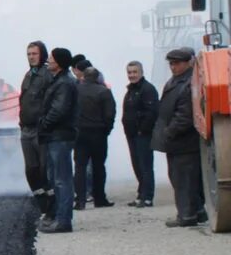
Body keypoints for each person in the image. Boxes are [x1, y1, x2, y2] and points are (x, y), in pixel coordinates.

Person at [152, 48, 206, 227]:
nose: (173, 67)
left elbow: (185, 117)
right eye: (171, 63)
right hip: (178, 143)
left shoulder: (189, 82)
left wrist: (169, 132)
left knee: (184, 180)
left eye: (177, 63)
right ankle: (197, 211)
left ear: (188, 63)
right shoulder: (177, 81)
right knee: (181, 178)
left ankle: (187, 216)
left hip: (184, 142)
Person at [36, 47, 80, 234]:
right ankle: (59, 217)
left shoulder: (64, 83)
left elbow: (58, 110)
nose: (48, 62)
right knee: (57, 178)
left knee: (62, 180)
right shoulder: (60, 81)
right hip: (56, 135)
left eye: (52, 59)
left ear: (59, 63)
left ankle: (63, 221)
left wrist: (44, 124)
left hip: (60, 135)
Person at [17, 40, 53, 217]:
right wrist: (22, 124)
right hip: (27, 130)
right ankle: (42, 204)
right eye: (29, 54)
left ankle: (51, 209)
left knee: (45, 169)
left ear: (42, 55)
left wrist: (45, 123)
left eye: (34, 54)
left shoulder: (47, 75)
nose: (31, 57)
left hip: (41, 130)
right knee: (31, 169)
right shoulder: (28, 75)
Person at [72, 65, 116, 209]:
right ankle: (100, 198)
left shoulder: (76, 90)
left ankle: (80, 200)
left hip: (79, 134)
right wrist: (106, 130)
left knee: (80, 167)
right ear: (97, 78)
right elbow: (110, 115)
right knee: (98, 166)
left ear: (84, 77)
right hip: (98, 134)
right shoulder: (104, 92)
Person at [121, 60, 159, 207]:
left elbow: (152, 112)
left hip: (143, 134)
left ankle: (147, 197)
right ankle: (141, 194)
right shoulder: (131, 90)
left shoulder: (148, 89)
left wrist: (142, 129)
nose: (132, 75)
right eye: (129, 72)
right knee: (137, 165)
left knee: (145, 165)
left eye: (134, 72)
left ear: (141, 72)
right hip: (132, 134)